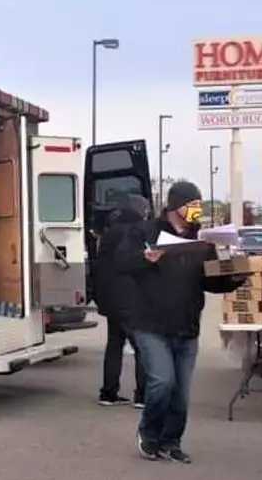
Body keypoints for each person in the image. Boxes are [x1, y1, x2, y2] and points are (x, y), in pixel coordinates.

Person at [112, 181, 245, 464]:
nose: (196, 210)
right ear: (174, 207)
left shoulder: (203, 242)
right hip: (150, 323)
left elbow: (212, 282)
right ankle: (148, 434)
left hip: (187, 325)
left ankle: (171, 441)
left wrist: (234, 274)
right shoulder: (146, 231)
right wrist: (145, 258)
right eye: (191, 205)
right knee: (162, 382)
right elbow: (121, 263)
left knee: (181, 394)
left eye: (199, 205)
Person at [93, 194, 149, 408]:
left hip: (110, 299)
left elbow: (100, 267)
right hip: (132, 298)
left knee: (114, 346)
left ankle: (108, 393)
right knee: (141, 347)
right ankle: (142, 395)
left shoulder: (109, 234)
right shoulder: (139, 232)